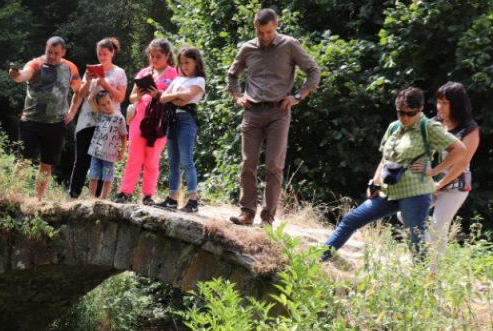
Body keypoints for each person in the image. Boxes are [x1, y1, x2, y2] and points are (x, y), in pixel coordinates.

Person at [321, 87, 466, 261]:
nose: (404, 118)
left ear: (419, 109)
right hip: (388, 191)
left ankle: (419, 284)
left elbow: (460, 150)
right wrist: (374, 182)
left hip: (415, 193)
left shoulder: (428, 127)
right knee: (350, 220)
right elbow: (385, 158)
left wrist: (434, 171)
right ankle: (319, 259)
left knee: (415, 241)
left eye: (409, 114)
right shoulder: (394, 127)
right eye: (400, 112)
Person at [226, 8, 321, 226]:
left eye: (269, 32)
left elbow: (313, 70)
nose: (265, 37)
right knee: (248, 163)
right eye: (261, 33)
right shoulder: (247, 48)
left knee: (273, 165)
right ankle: (247, 212)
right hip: (252, 110)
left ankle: (267, 218)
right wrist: (237, 96)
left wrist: (298, 96)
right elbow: (232, 74)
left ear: (276, 25)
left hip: (279, 111)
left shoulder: (289, 45)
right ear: (255, 28)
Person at [9, 36, 81, 200]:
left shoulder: (70, 68)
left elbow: (79, 91)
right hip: (30, 121)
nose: (52, 56)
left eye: (56, 53)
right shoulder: (35, 64)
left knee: (47, 164)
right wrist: (15, 74)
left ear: (63, 52)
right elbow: (22, 76)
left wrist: (72, 112)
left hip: (56, 124)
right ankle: (12, 196)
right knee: (24, 160)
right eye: (49, 52)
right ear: (45, 49)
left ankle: (38, 200)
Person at [422, 81, 481, 261]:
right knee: (404, 214)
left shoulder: (470, 130)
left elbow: (462, 164)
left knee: (438, 228)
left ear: (457, 104)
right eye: (439, 101)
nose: (440, 107)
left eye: (445, 103)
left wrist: (440, 183)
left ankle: (434, 280)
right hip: (431, 182)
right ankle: (426, 252)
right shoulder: (434, 123)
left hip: (456, 186)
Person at [119, 38, 178, 204]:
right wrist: (138, 95)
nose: (154, 60)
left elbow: (176, 100)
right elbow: (131, 98)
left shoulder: (175, 74)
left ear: (167, 55)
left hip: (160, 122)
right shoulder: (144, 73)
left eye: (158, 56)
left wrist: (158, 95)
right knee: (134, 157)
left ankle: (148, 195)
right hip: (140, 119)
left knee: (152, 158)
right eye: (151, 56)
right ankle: (125, 192)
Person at [66, 37, 127, 199]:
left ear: (112, 53)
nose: (102, 57)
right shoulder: (91, 71)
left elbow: (120, 97)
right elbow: (80, 94)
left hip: (108, 123)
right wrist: (89, 81)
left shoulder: (119, 72)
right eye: (99, 54)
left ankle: (98, 199)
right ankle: (73, 195)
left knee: (102, 160)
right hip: (87, 120)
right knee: (81, 160)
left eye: (105, 54)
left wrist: (105, 84)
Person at [157, 46, 207, 213]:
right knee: (173, 162)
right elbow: (163, 98)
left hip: (187, 121)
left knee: (187, 161)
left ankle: (193, 201)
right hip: (173, 120)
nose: (184, 66)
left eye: (187, 62)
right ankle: (172, 198)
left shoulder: (199, 80)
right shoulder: (177, 80)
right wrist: (176, 97)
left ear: (196, 62)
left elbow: (186, 98)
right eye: (182, 63)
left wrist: (176, 97)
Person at [85, 92, 128, 199]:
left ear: (112, 100)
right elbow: (90, 100)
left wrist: (122, 151)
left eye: (108, 103)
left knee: (107, 177)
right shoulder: (100, 113)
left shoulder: (119, 118)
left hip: (109, 155)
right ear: (99, 106)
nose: (107, 106)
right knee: (93, 175)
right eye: (103, 105)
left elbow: (124, 136)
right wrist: (96, 84)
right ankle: (91, 198)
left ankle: (103, 198)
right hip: (96, 152)